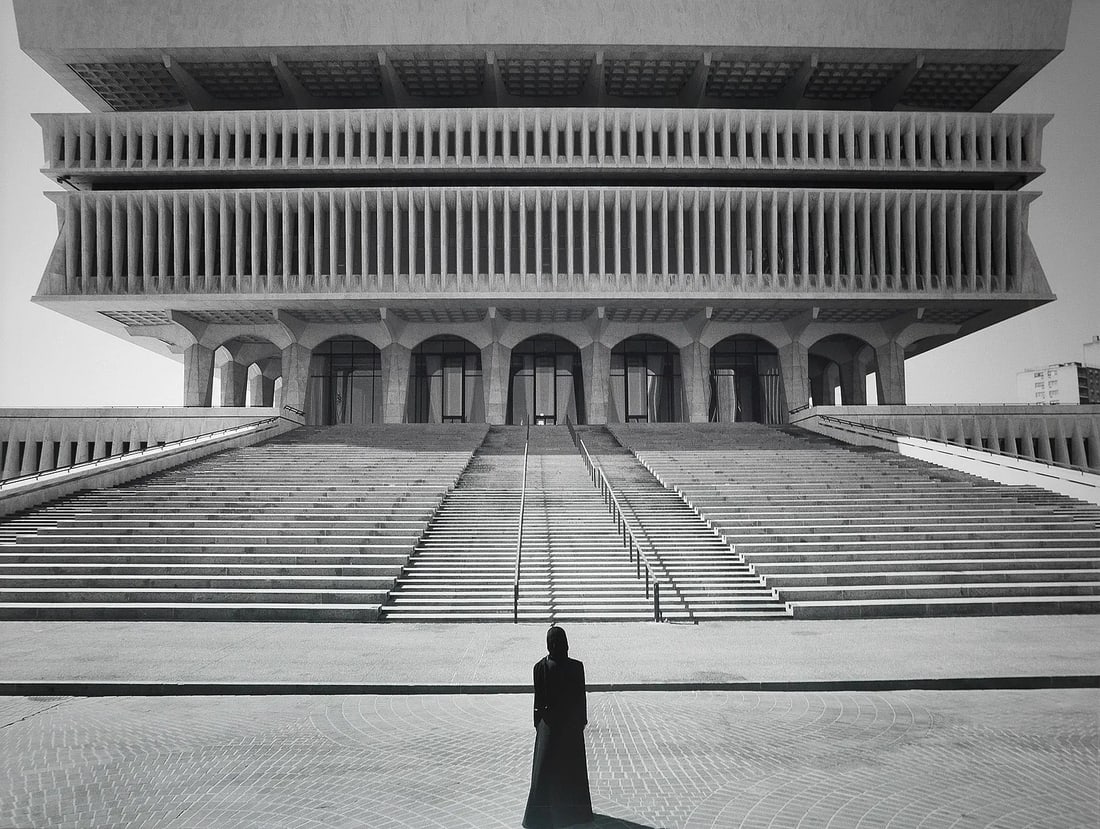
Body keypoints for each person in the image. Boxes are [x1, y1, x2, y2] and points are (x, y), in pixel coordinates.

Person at [522, 625, 593, 828]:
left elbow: (538, 700)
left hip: (549, 725)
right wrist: (581, 721)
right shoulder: (576, 667)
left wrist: (538, 724)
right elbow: (581, 698)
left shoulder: (540, 667)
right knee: (572, 770)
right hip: (570, 725)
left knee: (544, 771)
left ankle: (540, 813)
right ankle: (575, 811)